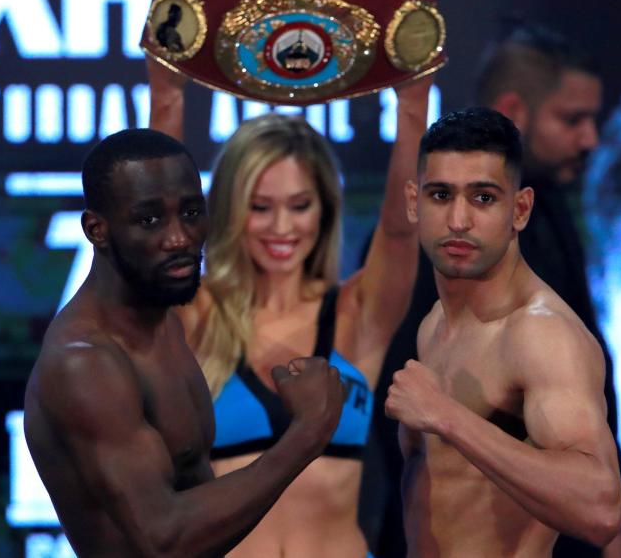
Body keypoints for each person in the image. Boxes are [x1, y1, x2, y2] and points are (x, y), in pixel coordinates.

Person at [363, 24, 621, 557]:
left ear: (519, 210)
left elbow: (602, 509)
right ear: (417, 202)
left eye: (483, 198)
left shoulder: (541, 335)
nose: (459, 219)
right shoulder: (433, 324)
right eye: (442, 196)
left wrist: (447, 417)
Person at [147, 58, 431, 557]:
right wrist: (167, 97)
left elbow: (403, 227)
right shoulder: (196, 314)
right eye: (261, 207)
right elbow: (158, 220)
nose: (282, 227)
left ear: (324, 210)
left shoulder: (356, 314)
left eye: (300, 206)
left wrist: (413, 105)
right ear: (231, 210)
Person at [22, 128, 347, 557]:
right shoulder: (85, 364)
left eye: (192, 213)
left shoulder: (162, 319)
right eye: (150, 220)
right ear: (97, 230)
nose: (179, 238)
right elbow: (163, 539)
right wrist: (305, 435)